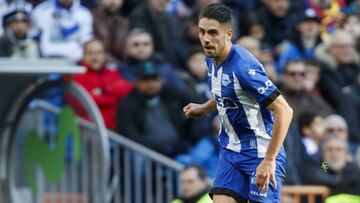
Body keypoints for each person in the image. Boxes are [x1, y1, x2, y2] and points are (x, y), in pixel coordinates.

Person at [183, 4, 293, 203]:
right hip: (231, 150)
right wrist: (204, 108)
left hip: (260, 153)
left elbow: (285, 111)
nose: (206, 39)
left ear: (229, 33)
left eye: (213, 33)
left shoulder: (244, 67)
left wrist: (269, 160)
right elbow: (228, 93)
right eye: (202, 32)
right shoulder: (211, 58)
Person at [71, 39, 132, 130]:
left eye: (99, 53)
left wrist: (105, 90)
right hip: (87, 131)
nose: (95, 57)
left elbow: (127, 88)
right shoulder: (76, 75)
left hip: (113, 130)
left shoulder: (112, 72)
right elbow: (86, 100)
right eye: (90, 53)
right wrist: (113, 97)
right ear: (83, 55)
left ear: (104, 55)